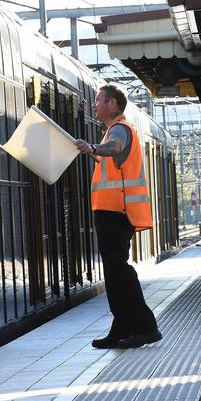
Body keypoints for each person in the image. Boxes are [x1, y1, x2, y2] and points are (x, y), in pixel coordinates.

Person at [75, 84, 162, 350]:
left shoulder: (119, 130)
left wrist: (92, 147)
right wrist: (93, 149)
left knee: (119, 271)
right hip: (110, 212)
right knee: (114, 272)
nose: (95, 104)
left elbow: (115, 147)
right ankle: (121, 326)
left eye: (99, 100)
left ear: (112, 104)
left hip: (116, 212)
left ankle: (147, 327)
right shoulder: (111, 131)